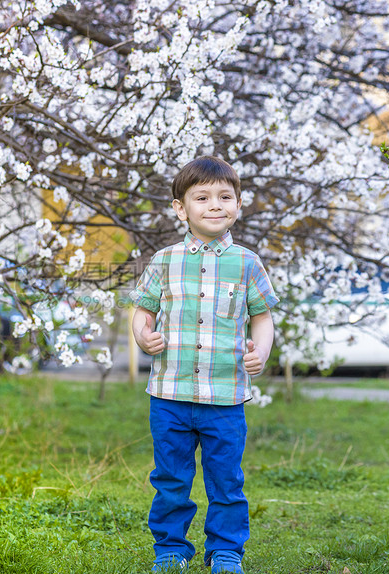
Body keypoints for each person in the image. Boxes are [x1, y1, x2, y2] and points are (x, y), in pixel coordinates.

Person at [129, 156, 279, 574]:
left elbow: (262, 315)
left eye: (225, 197)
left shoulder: (247, 262)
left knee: (226, 481)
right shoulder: (164, 260)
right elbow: (142, 311)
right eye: (202, 198)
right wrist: (144, 335)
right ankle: (171, 550)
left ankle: (227, 550)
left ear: (238, 204)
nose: (215, 205)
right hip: (170, 396)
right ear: (181, 208)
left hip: (225, 396)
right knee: (171, 480)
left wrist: (261, 351)